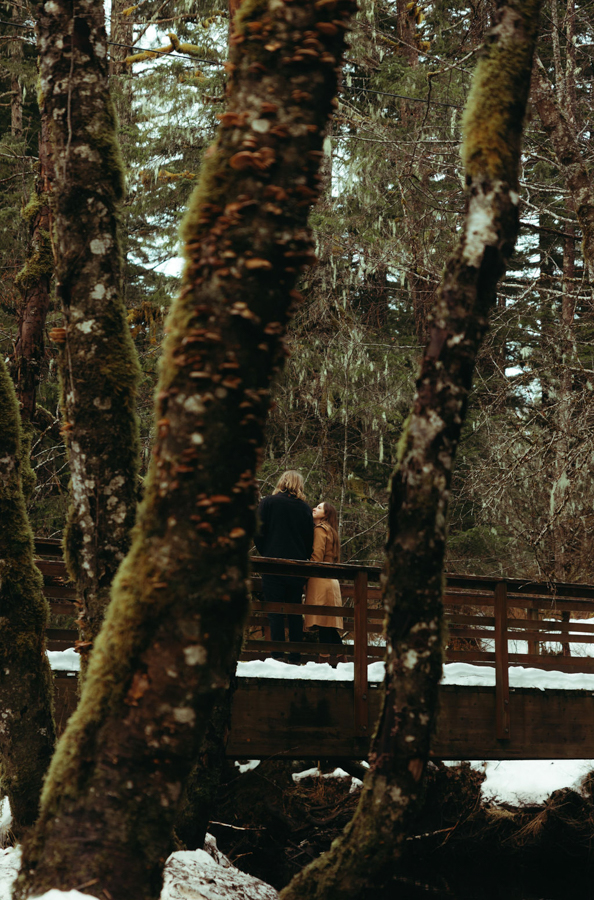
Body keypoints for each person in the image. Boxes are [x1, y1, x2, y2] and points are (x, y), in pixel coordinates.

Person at [255, 470, 314, 662]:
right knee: (294, 611)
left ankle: (277, 656)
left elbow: (258, 531)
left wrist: (266, 552)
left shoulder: (268, 503)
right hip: (296, 566)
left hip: (272, 564)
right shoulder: (305, 508)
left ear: (282, 482)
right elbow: (309, 540)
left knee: (275, 610)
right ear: (299, 485)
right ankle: (295, 655)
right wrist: (302, 560)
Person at [304, 502, 345, 663]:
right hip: (331, 582)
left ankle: (324, 661)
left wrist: (305, 574)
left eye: (319, 508)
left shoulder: (320, 530)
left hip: (320, 580)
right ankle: (342, 660)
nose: (314, 508)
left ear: (326, 515)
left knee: (323, 623)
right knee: (328, 625)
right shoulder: (332, 531)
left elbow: (317, 557)